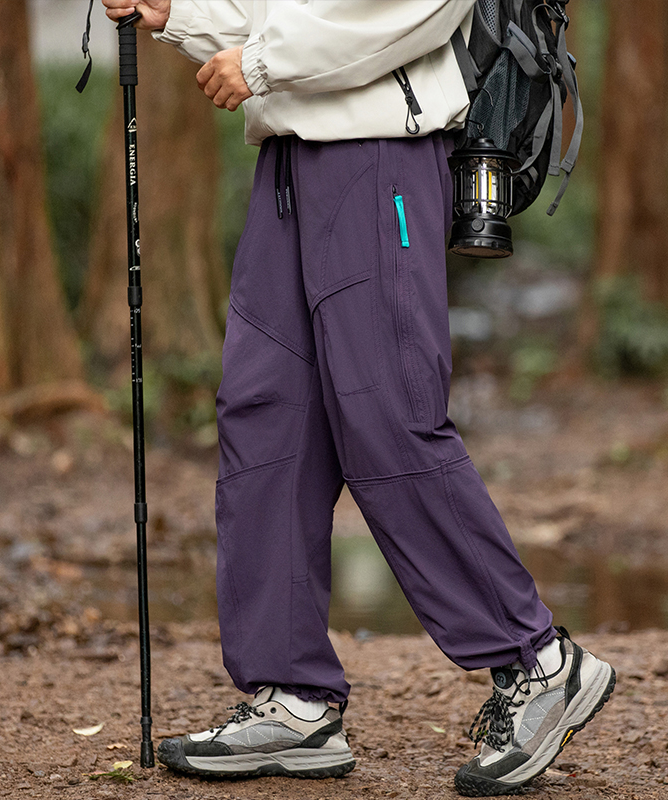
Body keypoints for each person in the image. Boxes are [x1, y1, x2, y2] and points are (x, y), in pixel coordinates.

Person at [102, 1, 616, 795]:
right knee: (266, 414)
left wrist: (263, 66)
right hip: (288, 163)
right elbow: (273, 14)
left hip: (380, 158)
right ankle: (294, 695)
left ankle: (539, 661)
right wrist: (177, 12)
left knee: (388, 415)